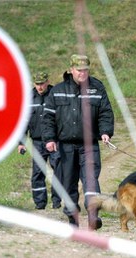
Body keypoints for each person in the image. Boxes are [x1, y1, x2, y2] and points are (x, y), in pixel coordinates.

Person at [42, 54, 114, 230]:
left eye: (86, 70)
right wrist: (50, 139)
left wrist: (105, 132)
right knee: (69, 182)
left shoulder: (97, 88)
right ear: (71, 70)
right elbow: (48, 118)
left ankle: (92, 216)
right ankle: (73, 219)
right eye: (79, 70)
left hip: (89, 145)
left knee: (91, 180)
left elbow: (105, 112)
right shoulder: (57, 90)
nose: (83, 73)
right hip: (65, 146)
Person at [18, 72, 62, 210]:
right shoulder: (29, 98)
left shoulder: (55, 95)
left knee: (58, 170)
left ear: (47, 82)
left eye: (42, 84)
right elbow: (23, 122)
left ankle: (57, 201)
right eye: (37, 84)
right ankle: (40, 203)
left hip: (55, 141)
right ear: (34, 84)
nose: (40, 87)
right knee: (37, 173)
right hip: (37, 141)